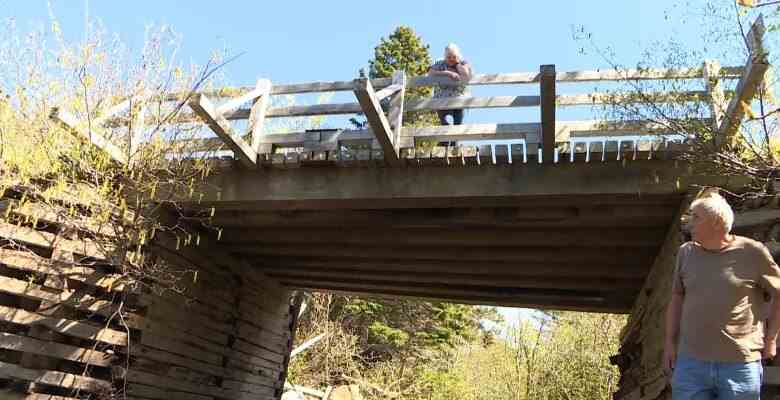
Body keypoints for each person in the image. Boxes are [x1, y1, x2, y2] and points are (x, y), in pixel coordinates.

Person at [663, 191, 780, 399]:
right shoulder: (686, 253)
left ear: (716, 223)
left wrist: (771, 338)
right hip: (691, 364)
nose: (689, 223)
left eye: (696, 217)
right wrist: (670, 343)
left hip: (739, 365)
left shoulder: (753, 252)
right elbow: (677, 297)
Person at [428, 43, 473, 126]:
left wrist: (457, 64)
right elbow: (430, 73)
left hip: (459, 97)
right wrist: (447, 73)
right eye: (449, 57)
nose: (451, 59)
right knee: (444, 122)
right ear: (445, 57)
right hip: (443, 97)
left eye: (454, 57)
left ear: (458, 56)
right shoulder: (440, 63)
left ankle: (454, 139)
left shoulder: (463, 63)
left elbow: (466, 74)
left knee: (457, 124)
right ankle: (444, 138)